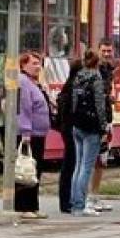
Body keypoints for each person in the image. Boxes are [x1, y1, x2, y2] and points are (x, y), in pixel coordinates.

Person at [70, 49, 109, 217]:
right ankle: (81, 205)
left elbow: (74, 101)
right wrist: (103, 126)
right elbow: (100, 105)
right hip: (91, 127)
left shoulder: (78, 76)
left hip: (77, 125)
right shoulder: (96, 78)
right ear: (97, 62)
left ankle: (74, 202)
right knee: (87, 167)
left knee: (78, 166)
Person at [15, 51, 50, 219]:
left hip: (38, 134)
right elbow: (24, 109)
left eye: (39, 63)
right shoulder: (23, 82)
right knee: (26, 171)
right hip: (30, 135)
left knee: (34, 171)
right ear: (23, 65)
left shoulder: (33, 82)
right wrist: (26, 132)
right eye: (34, 63)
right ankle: (24, 207)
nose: (38, 67)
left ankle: (33, 206)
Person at [86, 37, 117, 213]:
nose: (106, 54)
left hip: (106, 119)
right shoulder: (92, 71)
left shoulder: (108, 70)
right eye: (103, 50)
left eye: (109, 51)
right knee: (90, 160)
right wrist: (106, 98)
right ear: (98, 50)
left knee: (101, 161)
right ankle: (87, 197)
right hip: (97, 122)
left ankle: (94, 195)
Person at [56, 59, 82, 214]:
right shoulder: (74, 88)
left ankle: (68, 200)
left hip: (68, 128)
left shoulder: (69, 85)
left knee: (72, 164)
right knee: (71, 164)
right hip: (72, 129)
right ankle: (67, 201)